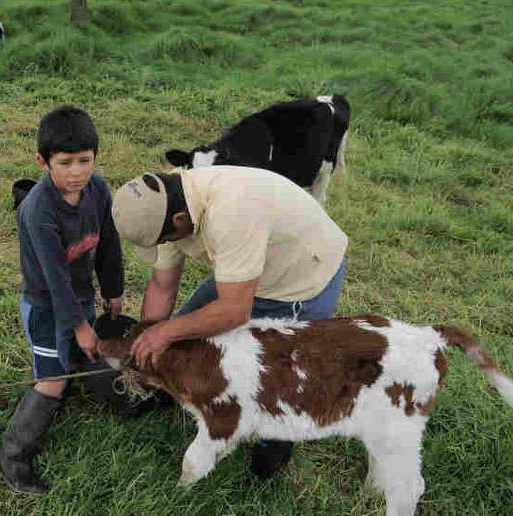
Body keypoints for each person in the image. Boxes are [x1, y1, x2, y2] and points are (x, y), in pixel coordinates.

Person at [110, 166, 348, 478]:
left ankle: (272, 450)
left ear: (179, 221)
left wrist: (165, 333)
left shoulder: (232, 211)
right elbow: (162, 286)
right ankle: (163, 393)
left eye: (162, 239)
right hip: (248, 271)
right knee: (182, 340)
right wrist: (148, 342)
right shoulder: (167, 202)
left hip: (299, 279)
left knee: (274, 380)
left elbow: (235, 310)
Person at [0, 105, 124, 494]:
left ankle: (90, 396)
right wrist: (80, 326)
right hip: (47, 307)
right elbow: (53, 279)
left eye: (85, 160)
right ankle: (12, 460)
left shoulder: (97, 189)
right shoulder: (39, 211)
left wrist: (113, 292)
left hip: (80, 297)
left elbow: (109, 244)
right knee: (51, 378)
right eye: (65, 163)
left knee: (84, 353)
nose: (77, 172)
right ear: (42, 161)